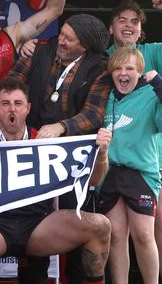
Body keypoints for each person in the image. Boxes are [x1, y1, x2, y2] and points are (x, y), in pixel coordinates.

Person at [0, 77, 112, 284]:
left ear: (28, 108)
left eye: (18, 103)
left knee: (100, 225)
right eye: (5, 104)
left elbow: (92, 180)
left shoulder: (47, 142)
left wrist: (102, 154)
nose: (12, 110)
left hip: (39, 224)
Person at [97, 47, 162, 284]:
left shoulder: (151, 95)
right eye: (118, 68)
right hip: (110, 173)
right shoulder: (106, 96)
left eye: (130, 68)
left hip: (141, 173)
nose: (123, 73)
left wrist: (158, 84)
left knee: (144, 235)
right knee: (116, 236)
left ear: (141, 71)